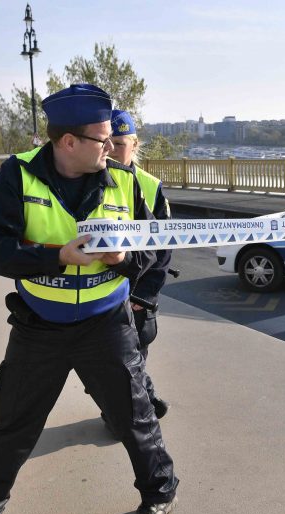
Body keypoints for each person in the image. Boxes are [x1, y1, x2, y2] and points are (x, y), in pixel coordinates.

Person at [0, 84, 179, 514]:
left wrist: (123, 261)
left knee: (134, 418)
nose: (112, 148)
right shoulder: (17, 175)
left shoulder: (126, 183)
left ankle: (160, 492)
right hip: (39, 325)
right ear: (68, 142)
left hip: (106, 323)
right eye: (103, 140)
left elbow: (150, 256)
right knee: (9, 427)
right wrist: (57, 256)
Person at [108, 109, 171, 421]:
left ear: (134, 145)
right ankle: (134, 403)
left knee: (134, 355)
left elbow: (162, 250)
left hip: (137, 296)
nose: (112, 149)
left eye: (120, 143)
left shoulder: (150, 186)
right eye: (106, 142)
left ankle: (135, 404)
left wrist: (143, 295)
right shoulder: (88, 180)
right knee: (110, 360)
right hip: (102, 291)